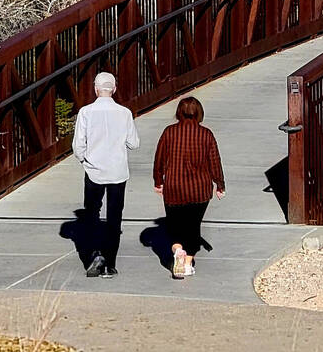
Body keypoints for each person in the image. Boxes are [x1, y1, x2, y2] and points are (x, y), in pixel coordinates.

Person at [72, 71, 139, 278]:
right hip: (118, 171)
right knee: (114, 217)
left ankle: (94, 255)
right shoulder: (124, 113)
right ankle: (110, 263)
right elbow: (133, 143)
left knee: (92, 213)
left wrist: (85, 160)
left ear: (95, 89)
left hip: (94, 170)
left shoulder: (86, 112)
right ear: (114, 89)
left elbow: (78, 145)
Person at [153, 96, 225, 279]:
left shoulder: (169, 132)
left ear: (179, 112)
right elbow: (214, 161)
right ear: (199, 112)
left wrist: (158, 180)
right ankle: (186, 264)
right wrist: (220, 184)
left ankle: (178, 250)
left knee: (175, 227)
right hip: (199, 190)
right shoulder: (206, 134)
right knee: (193, 227)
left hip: (174, 187)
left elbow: (159, 158)